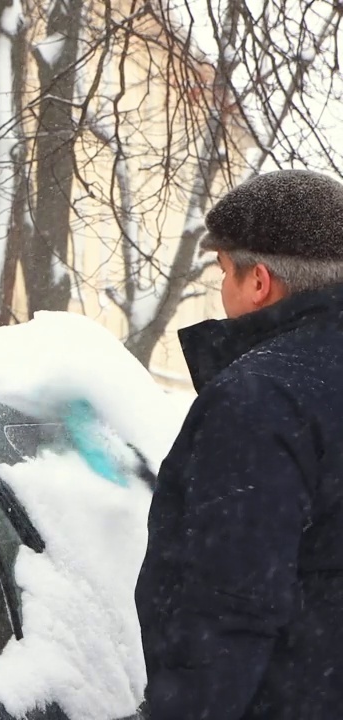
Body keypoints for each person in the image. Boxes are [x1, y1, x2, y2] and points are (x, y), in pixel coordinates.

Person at [136, 168, 343, 719]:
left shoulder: (261, 398)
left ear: (259, 283)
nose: (223, 290)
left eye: (224, 273)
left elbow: (228, 607)